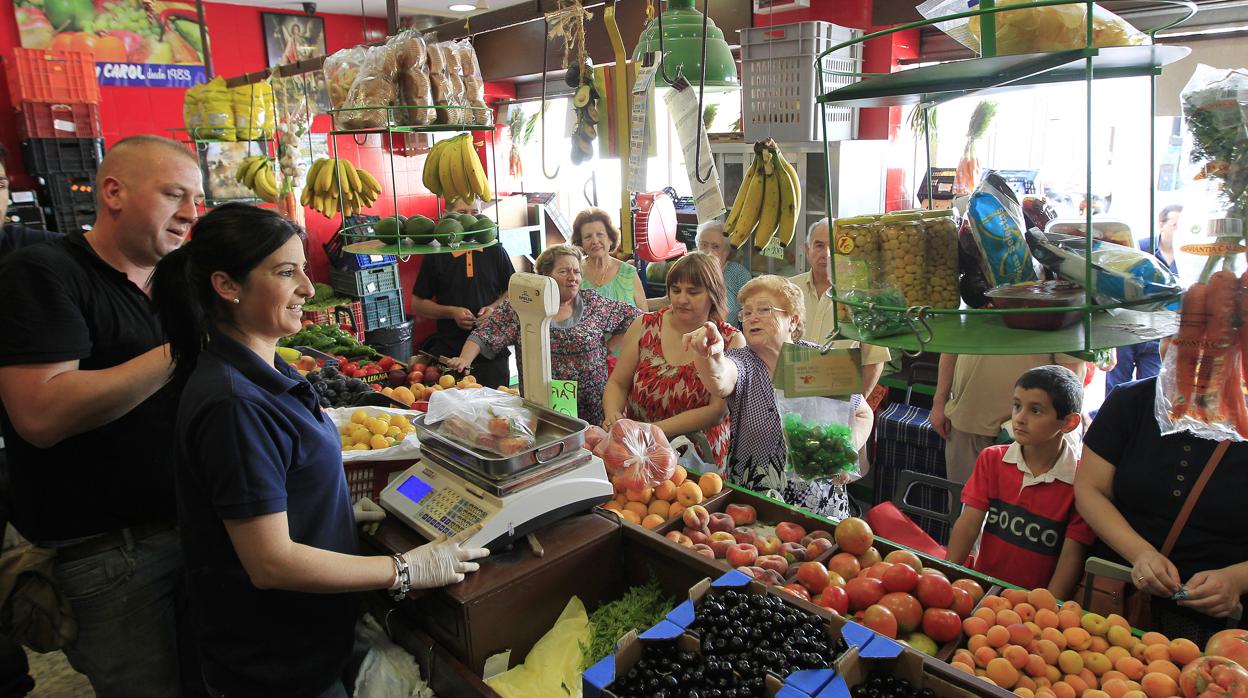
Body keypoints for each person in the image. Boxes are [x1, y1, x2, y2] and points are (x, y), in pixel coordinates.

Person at [151, 203, 488, 697]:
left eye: (304, 270)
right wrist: (404, 569)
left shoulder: (271, 370)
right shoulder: (234, 404)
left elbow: (276, 488)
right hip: (275, 665)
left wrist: (334, 514)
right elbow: (271, 563)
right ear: (227, 285)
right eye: (287, 273)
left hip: (311, 639)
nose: (308, 289)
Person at [0, 136, 203, 695]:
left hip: (185, 527)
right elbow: (40, 413)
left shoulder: (165, 283)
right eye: (174, 194)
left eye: (195, 198)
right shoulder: (42, 272)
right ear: (113, 192)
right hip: (110, 554)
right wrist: (186, 347)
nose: (190, 212)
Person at [1075, 344, 1248, 645]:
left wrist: (1237, 579)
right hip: (1116, 596)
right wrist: (1140, 553)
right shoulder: (1131, 401)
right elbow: (1090, 489)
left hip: (1214, 625)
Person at [683, 275, 874, 520]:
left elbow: (863, 413)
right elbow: (719, 379)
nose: (752, 317)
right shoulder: (743, 362)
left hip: (821, 509)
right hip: (754, 507)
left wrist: (846, 452)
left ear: (792, 320)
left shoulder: (818, 360)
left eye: (763, 309)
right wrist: (707, 354)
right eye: (746, 312)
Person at [945, 366, 1093, 599]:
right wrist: (947, 575)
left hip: (1033, 605)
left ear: (1069, 423)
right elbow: (969, 523)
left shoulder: (1081, 480)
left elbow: (1071, 555)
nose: (1020, 418)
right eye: (1017, 406)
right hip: (983, 589)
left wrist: (1048, 608)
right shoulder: (992, 459)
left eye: (1035, 410)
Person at [447, 245, 640, 425]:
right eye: (564, 271)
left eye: (577, 272)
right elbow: (485, 333)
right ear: (545, 276)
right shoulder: (523, 306)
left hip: (594, 404)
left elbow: (632, 317)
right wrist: (464, 359)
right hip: (544, 405)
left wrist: (610, 347)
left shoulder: (593, 302)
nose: (572, 277)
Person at [603, 252, 745, 470]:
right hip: (637, 450)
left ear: (713, 294)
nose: (681, 299)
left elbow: (718, 411)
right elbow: (618, 383)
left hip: (698, 457)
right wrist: (614, 417)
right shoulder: (645, 325)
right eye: (675, 290)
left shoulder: (730, 339)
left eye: (693, 292)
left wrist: (651, 431)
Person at [930, 353, 1087, 484]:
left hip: (1031, 437)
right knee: (963, 507)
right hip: (965, 422)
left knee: (1025, 513)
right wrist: (939, 401)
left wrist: (1035, 418)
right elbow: (951, 348)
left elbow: (1071, 372)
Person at [411, 197, 514, 389]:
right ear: (447, 217)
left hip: (493, 353)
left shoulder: (495, 249)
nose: (469, 221)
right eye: (462, 214)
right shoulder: (437, 254)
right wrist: (451, 312)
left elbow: (513, 291)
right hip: (452, 357)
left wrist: (493, 309)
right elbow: (417, 304)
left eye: (474, 214)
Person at [789, 217, 891, 396]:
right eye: (819, 245)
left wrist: (855, 407)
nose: (827, 254)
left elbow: (874, 360)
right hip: (791, 393)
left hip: (838, 397)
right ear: (807, 250)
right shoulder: (788, 290)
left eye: (835, 247)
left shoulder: (862, 297)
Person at [1106, 205, 1182, 395]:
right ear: (1162, 225)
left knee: (1152, 389)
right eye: (1175, 225)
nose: (1178, 230)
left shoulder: (1186, 257)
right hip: (1129, 327)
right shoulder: (1141, 248)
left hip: (1160, 333)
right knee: (1116, 387)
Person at [573, 207, 646, 308]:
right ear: (581, 242)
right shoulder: (574, 274)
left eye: (600, 234)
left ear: (611, 238)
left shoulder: (628, 273)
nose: (595, 241)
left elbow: (644, 318)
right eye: (588, 237)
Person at [696, 220, 752, 325]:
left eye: (715, 246)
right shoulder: (688, 269)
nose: (708, 252)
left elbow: (750, 311)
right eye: (703, 245)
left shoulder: (738, 274)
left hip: (727, 337)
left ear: (727, 251)